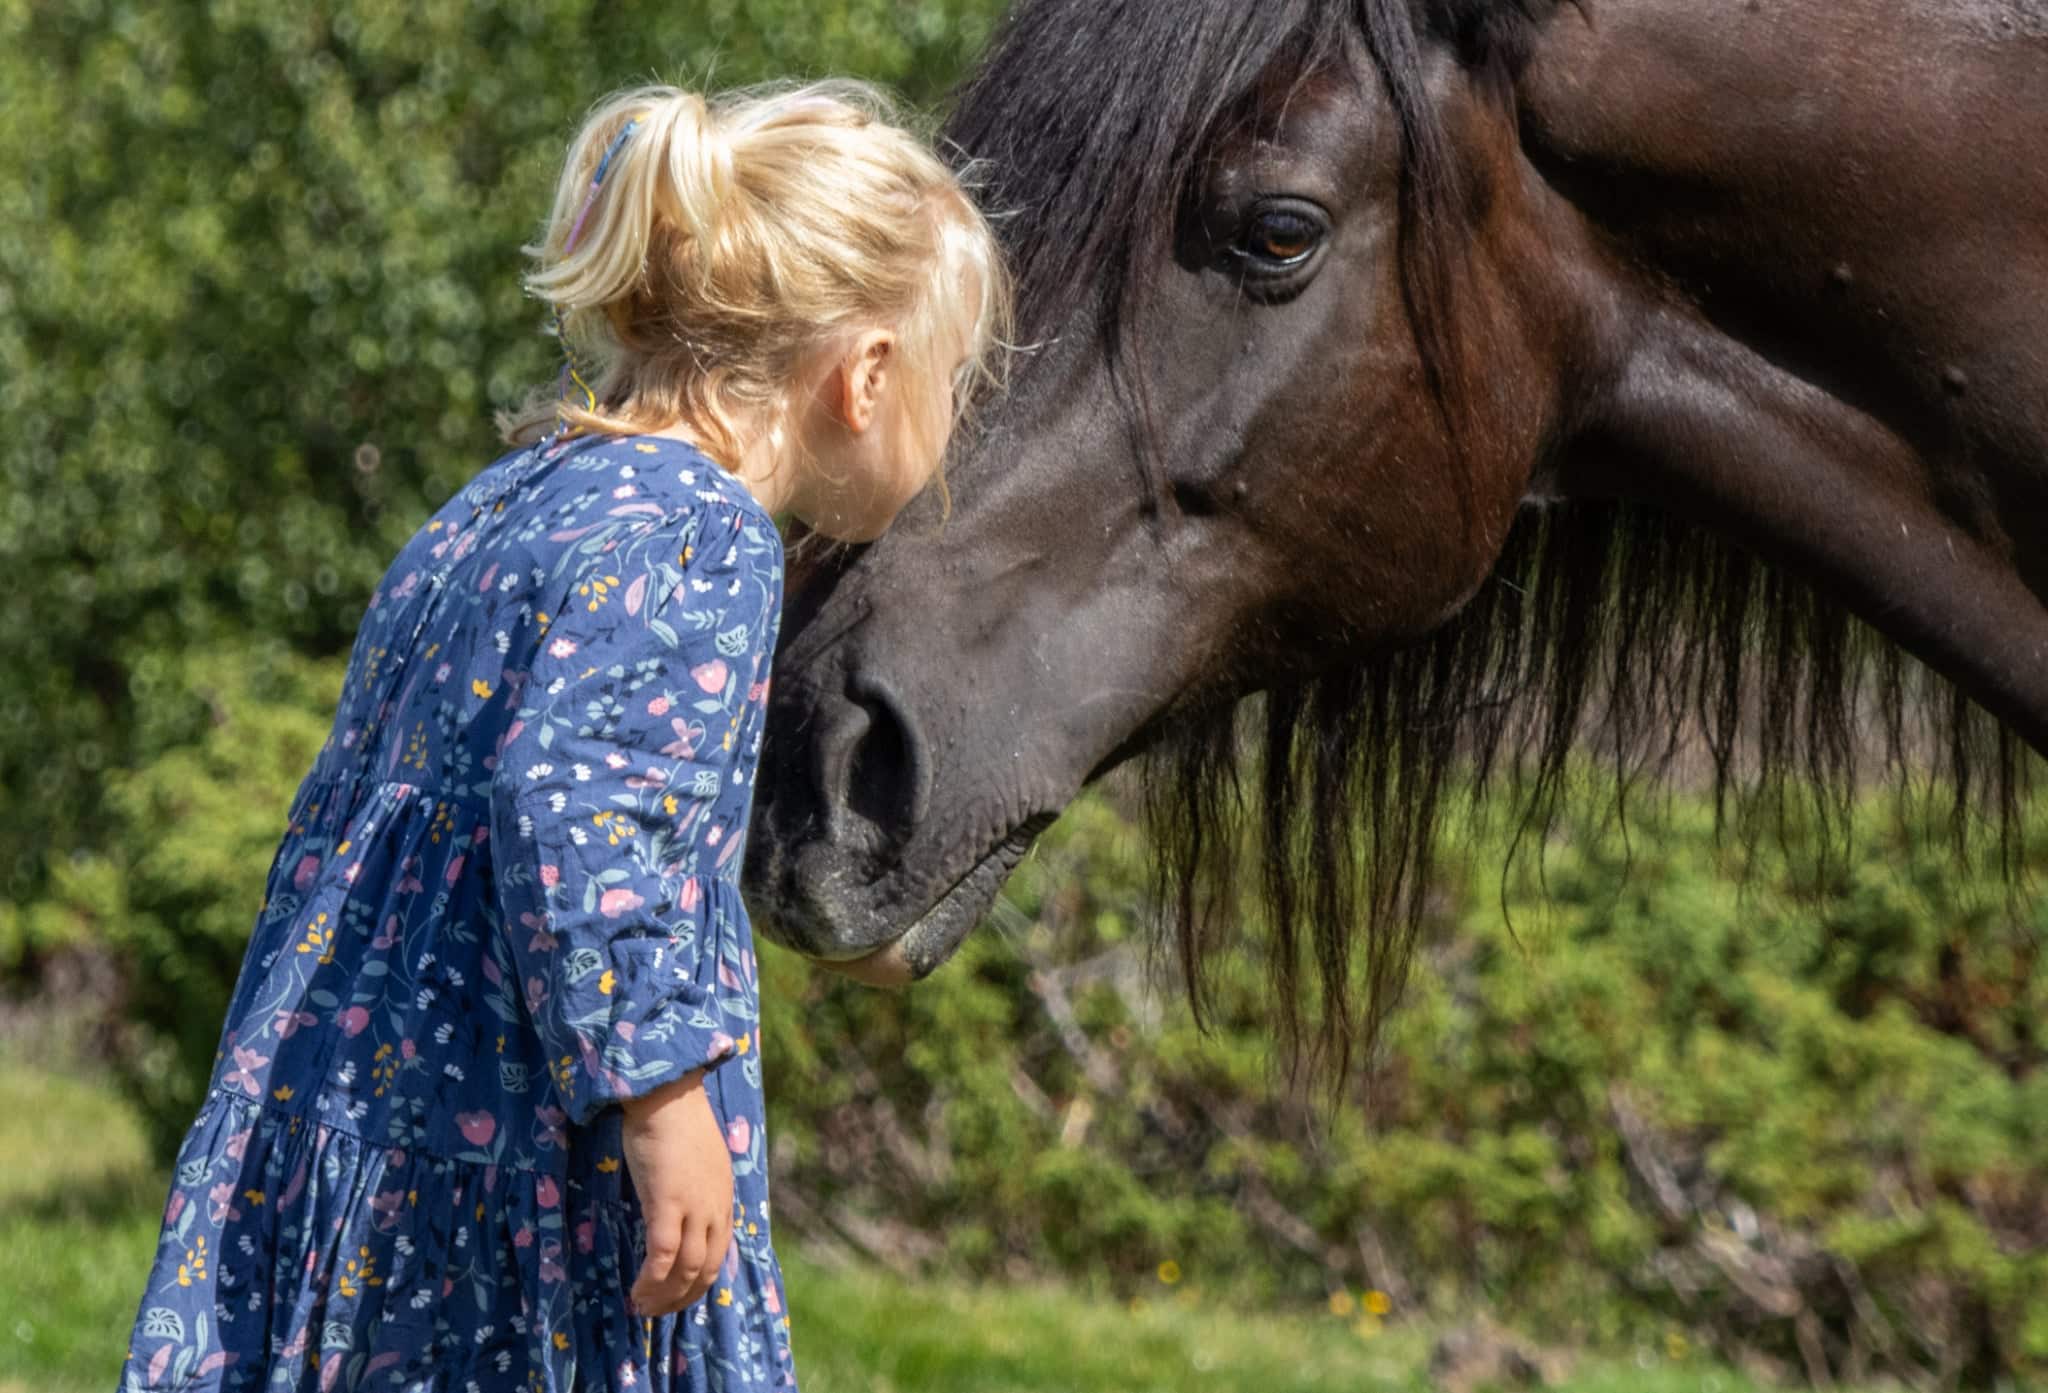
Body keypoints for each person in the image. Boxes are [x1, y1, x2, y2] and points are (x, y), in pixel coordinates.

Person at [116, 76, 1010, 1393]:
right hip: (526, 1177)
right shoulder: (704, 534)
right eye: (956, 384)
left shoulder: (511, 500)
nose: (949, 437)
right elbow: (575, 808)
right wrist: (660, 1093)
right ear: (866, 376)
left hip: (370, 1141)